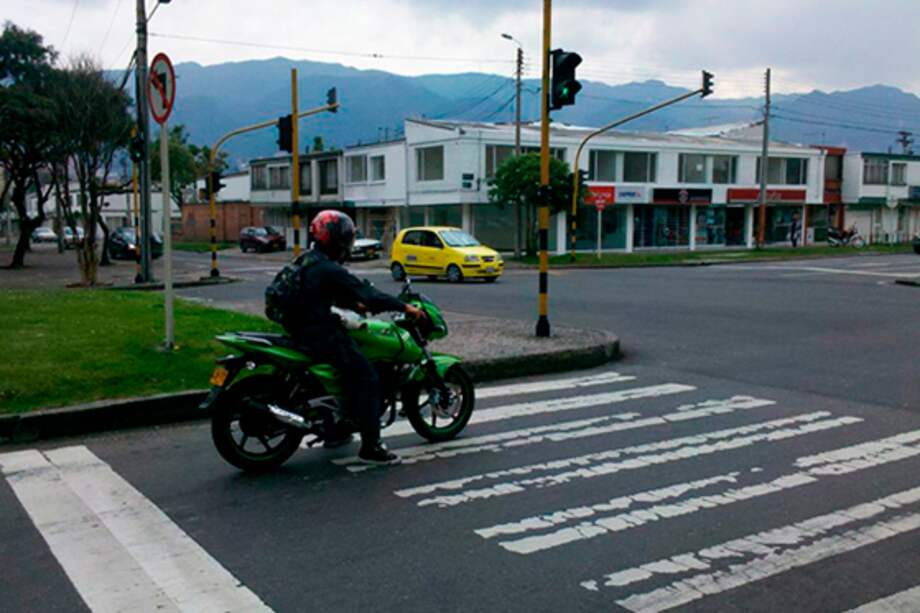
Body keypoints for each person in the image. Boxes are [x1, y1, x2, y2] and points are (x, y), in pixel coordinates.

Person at [283, 210, 424, 465]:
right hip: (319, 333)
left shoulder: (308, 260)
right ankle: (372, 448)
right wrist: (406, 308)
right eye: (346, 237)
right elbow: (368, 295)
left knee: (340, 374)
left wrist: (352, 304)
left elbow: (320, 291)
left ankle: (336, 431)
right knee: (367, 379)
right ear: (337, 240)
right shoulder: (329, 268)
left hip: (299, 328)